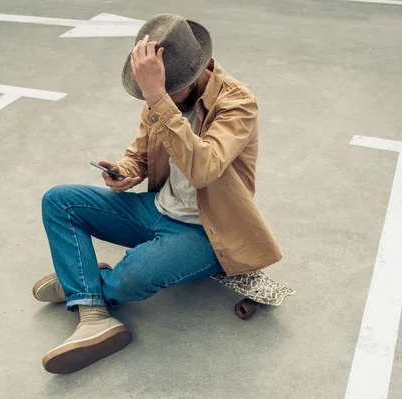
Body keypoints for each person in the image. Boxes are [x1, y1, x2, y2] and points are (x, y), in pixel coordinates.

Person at [34, 13, 282, 374]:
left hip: (208, 231)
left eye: (166, 92)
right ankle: (94, 311)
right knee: (59, 200)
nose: (156, 101)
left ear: (194, 75)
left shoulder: (238, 103)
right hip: (158, 209)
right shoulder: (163, 100)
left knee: (133, 275)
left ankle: (83, 284)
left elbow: (203, 169)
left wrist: (156, 95)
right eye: (155, 93)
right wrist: (124, 171)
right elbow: (139, 154)